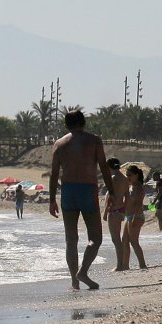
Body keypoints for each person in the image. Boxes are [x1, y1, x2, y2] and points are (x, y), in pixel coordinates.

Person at [49, 108, 115, 290]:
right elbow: (103, 167)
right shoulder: (94, 141)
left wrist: (52, 199)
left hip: (68, 191)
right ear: (83, 122)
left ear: (66, 124)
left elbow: (54, 174)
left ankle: (74, 281)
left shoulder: (59, 144)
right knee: (95, 238)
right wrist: (112, 192)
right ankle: (83, 271)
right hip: (87, 190)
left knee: (71, 239)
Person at [121, 165, 148, 270]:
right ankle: (125, 265)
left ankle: (142, 265)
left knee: (134, 242)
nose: (128, 177)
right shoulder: (131, 186)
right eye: (127, 175)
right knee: (124, 241)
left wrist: (134, 219)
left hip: (136, 216)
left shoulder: (138, 187)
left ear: (136, 175)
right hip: (129, 216)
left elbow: (138, 204)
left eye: (130, 175)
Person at [103, 158, 127, 271]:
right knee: (118, 239)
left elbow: (110, 197)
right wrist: (125, 210)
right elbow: (127, 195)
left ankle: (120, 265)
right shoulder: (124, 179)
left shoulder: (113, 179)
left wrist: (105, 212)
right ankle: (122, 264)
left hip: (113, 210)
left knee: (115, 239)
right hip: (121, 209)